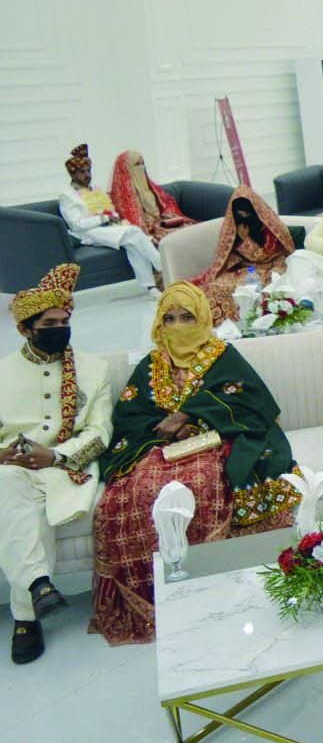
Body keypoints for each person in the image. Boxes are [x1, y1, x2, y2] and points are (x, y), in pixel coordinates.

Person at [90, 283, 303, 644]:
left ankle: (215, 589)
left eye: (187, 317)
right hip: (161, 449)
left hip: (216, 442)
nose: (177, 325)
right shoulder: (150, 365)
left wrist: (194, 414)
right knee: (140, 491)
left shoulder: (223, 356)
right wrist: (170, 429)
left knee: (202, 485)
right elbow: (130, 415)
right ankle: (166, 594)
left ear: (203, 318)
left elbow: (254, 403)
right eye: (169, 318)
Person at [0, 266, 113, 664]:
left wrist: (55, 456)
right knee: (9, 487)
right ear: (26, 329)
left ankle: (26, 615)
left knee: (23, 510)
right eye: (49, 324)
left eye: (65, 322)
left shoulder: (93, 368)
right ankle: (39, 589)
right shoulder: (1, 373)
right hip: (13, 468)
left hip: (67, 467)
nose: (60, 329)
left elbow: (100, 433)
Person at [58, 145, 164, 297]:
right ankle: (162, 265)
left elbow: (109, 209)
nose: (87, 175)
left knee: (133, 243)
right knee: (134, 232)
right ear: (72, 175)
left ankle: (150, 288)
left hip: (108, 227)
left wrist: (112, 217)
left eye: (88, 171)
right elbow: (77, 225)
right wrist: (104, 218)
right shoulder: (67, 196)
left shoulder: (95, 188)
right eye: (82, 172)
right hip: (88, 233)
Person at [193, 186, 295, 323]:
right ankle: (219, 325)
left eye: (248, 215)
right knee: (215, 287)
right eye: (240, 216)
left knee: (254, 291)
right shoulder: (234, 226)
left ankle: (249, 322)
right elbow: (227, 256)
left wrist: (246, 239)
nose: (244, 220)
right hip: (246, 269)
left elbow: (265, 256)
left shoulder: (270, 228)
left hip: (272, 267)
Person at [108, 151, 194, 243]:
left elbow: (165, 208)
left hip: (163, 223)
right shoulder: (121, 197)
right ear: (125, 169)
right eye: (137, 164)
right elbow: (135, 225)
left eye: (142, 164)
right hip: (149, 231)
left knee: (194, 231)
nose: (141, 168)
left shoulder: (151, 188)